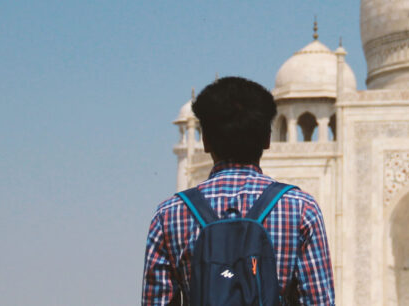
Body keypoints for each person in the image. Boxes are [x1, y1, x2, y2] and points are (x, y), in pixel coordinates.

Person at [142, 77, 334, 305]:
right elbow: (318, 301)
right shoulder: (301, 209)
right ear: (267, 139)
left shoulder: (169, 215)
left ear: (205, 141)